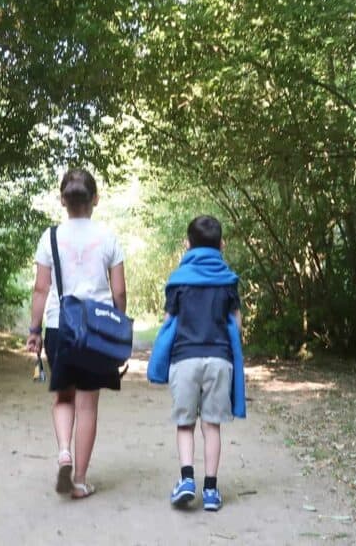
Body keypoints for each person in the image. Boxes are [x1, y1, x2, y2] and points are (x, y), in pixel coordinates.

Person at [26, 169, 127, 500]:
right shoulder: (109, 238)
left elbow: (41, 288)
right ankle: (80, 481)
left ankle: (64, 451)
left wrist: (34, 330)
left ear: (62, 200)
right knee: (88, 405)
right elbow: (119, 292)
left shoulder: (50, 237)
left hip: (59, 326)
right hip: (96, 330)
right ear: (95, 199)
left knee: (63, 398)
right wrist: (119, 329)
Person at [147, 215, 246, 512]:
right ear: (222, 245)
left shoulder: (178, 281)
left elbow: (169, 323)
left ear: (187, 245)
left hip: (185, 360)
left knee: (185, 423)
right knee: (212, 425)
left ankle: (187, 479)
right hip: (219, 361)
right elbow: (237, 326)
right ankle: (212, 491)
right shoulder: (228, 281)